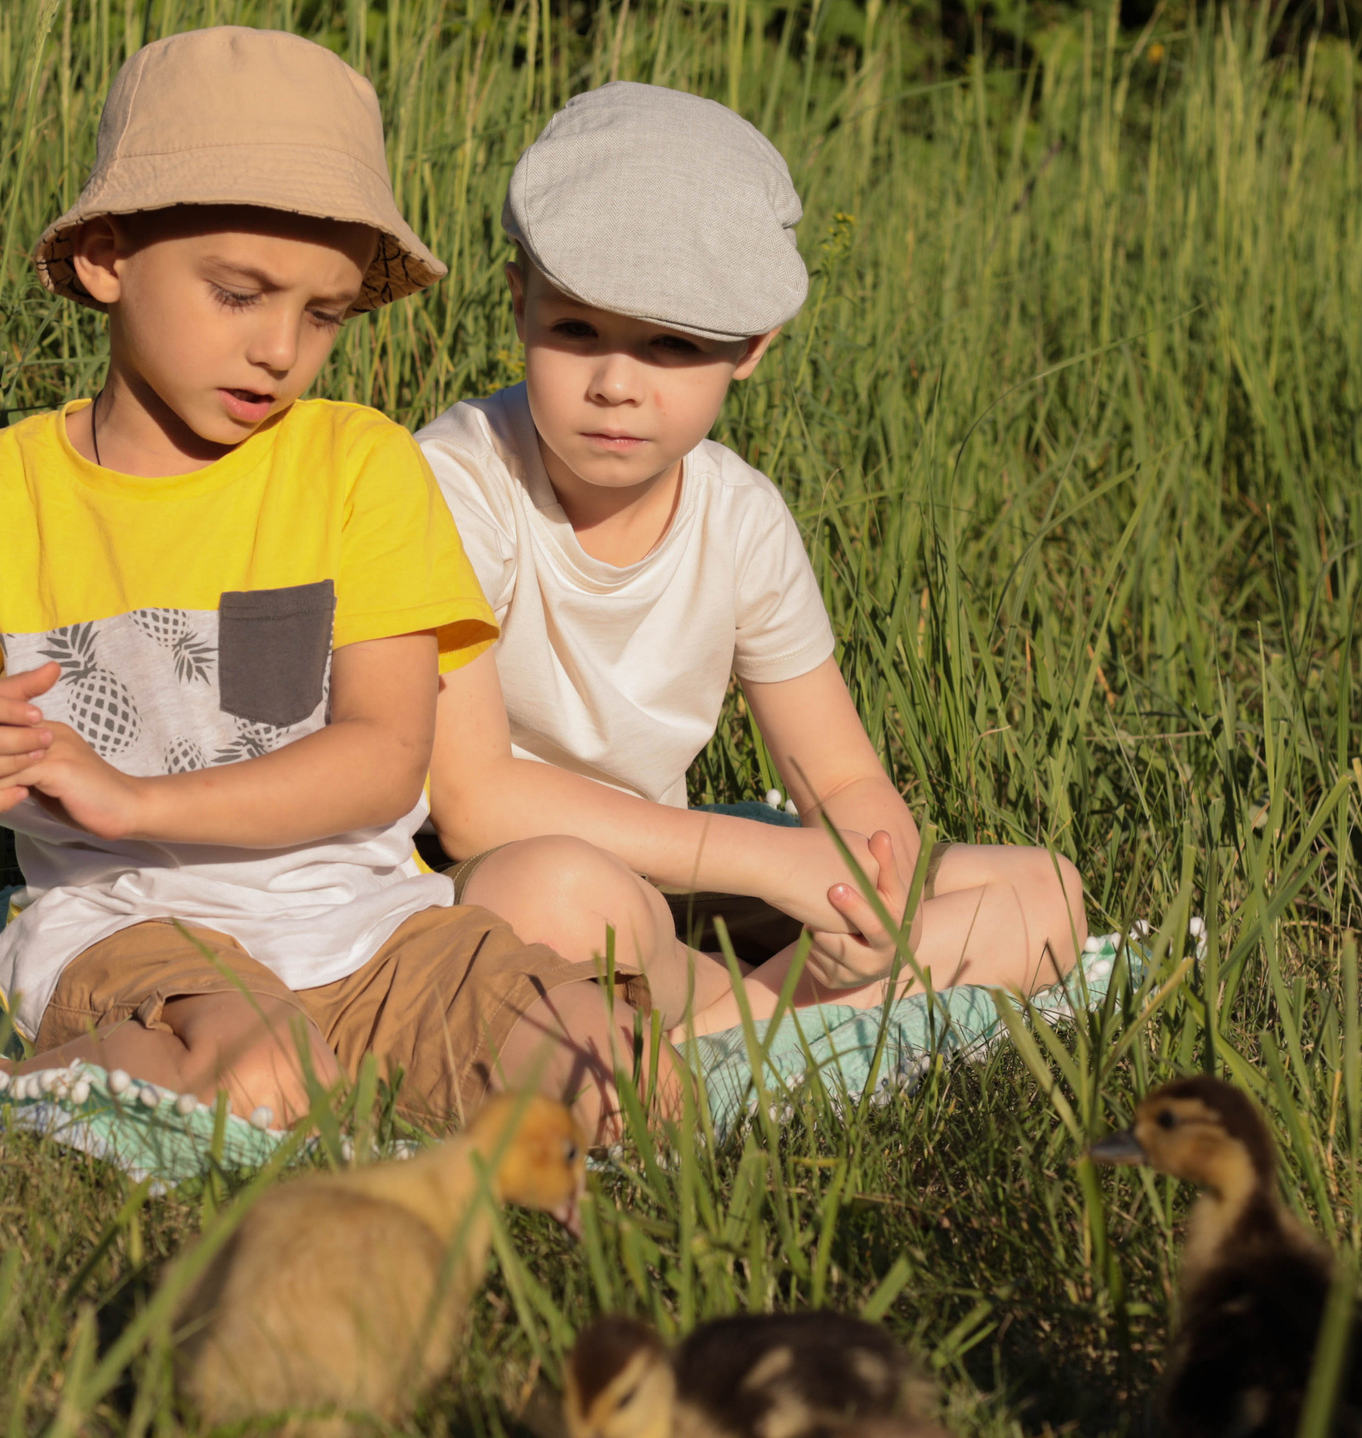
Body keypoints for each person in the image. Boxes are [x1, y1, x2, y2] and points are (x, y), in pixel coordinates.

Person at [0, 29, 678, 1142]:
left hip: (371, 927)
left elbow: (384, 760)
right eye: (238, 294)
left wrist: (138, 801)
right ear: (106, 259)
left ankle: (215, 1083)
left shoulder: (359, 465)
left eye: (323, 313)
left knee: (623, 1082)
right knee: (261, 1078)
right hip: (133, 933)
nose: (282, 349)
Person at [419, 83, 1088, 1030]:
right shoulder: (454, 483)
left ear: (752, 349)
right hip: (482, 884)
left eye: (671, 344)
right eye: (576, 330)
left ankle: (723, 1021)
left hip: (671, 875)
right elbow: (473, 804)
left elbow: (841, 779)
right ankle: (774, 1016)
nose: (616, 384)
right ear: (519, 303)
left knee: (1044, 893)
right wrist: (775, 863)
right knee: (557, 897)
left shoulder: (741, 516)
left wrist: (869, 893)